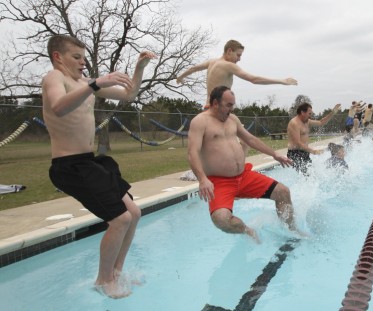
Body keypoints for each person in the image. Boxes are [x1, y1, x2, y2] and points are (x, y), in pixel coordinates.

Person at [42, 34, 156, 298]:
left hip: (89, 162)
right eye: (76, 57)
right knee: (120, 219)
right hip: (68, 165)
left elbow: (129, 94)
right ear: (58, 57)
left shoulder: (82, 82)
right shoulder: (54, 78)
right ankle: (103, 281)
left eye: (84, 57)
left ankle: (116, 274)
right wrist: (95, 84)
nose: (83, 62)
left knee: (134, 213)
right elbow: (58, 107)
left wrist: (139, 68)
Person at [188, 86, 301, 242]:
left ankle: (292, 231)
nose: (232, 108)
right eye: (228, 105)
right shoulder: (200, 122)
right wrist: (202, 179)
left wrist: (274, 154)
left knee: (283, 192)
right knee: (221, 219)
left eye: (233, 104)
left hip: (244, 176)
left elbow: (250, 139)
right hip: (220, 182)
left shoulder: (233, 119)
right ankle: (247, 231)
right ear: (215, 103)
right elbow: (192, 153)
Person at [176, 39, 297, 108]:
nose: (239, 59)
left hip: (208, 107)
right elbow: (253, 79)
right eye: (238, 55)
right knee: (242, 143)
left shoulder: (211, 62)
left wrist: (180, 77)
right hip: (219, 110)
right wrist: (282, 81)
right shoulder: (228, 65)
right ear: (229, 51)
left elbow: (193, 68)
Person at [287, 102, 341, 174]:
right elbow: (298, 143)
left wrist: (332, 113)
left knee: (311, 175)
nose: (311, 115)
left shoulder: (307, 122)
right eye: (309, 113)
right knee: (306, 175)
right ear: (302, 112)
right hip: (295, 154)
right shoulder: (295, 123)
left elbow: (321, 122)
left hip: (304, 152)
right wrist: (313, 151)